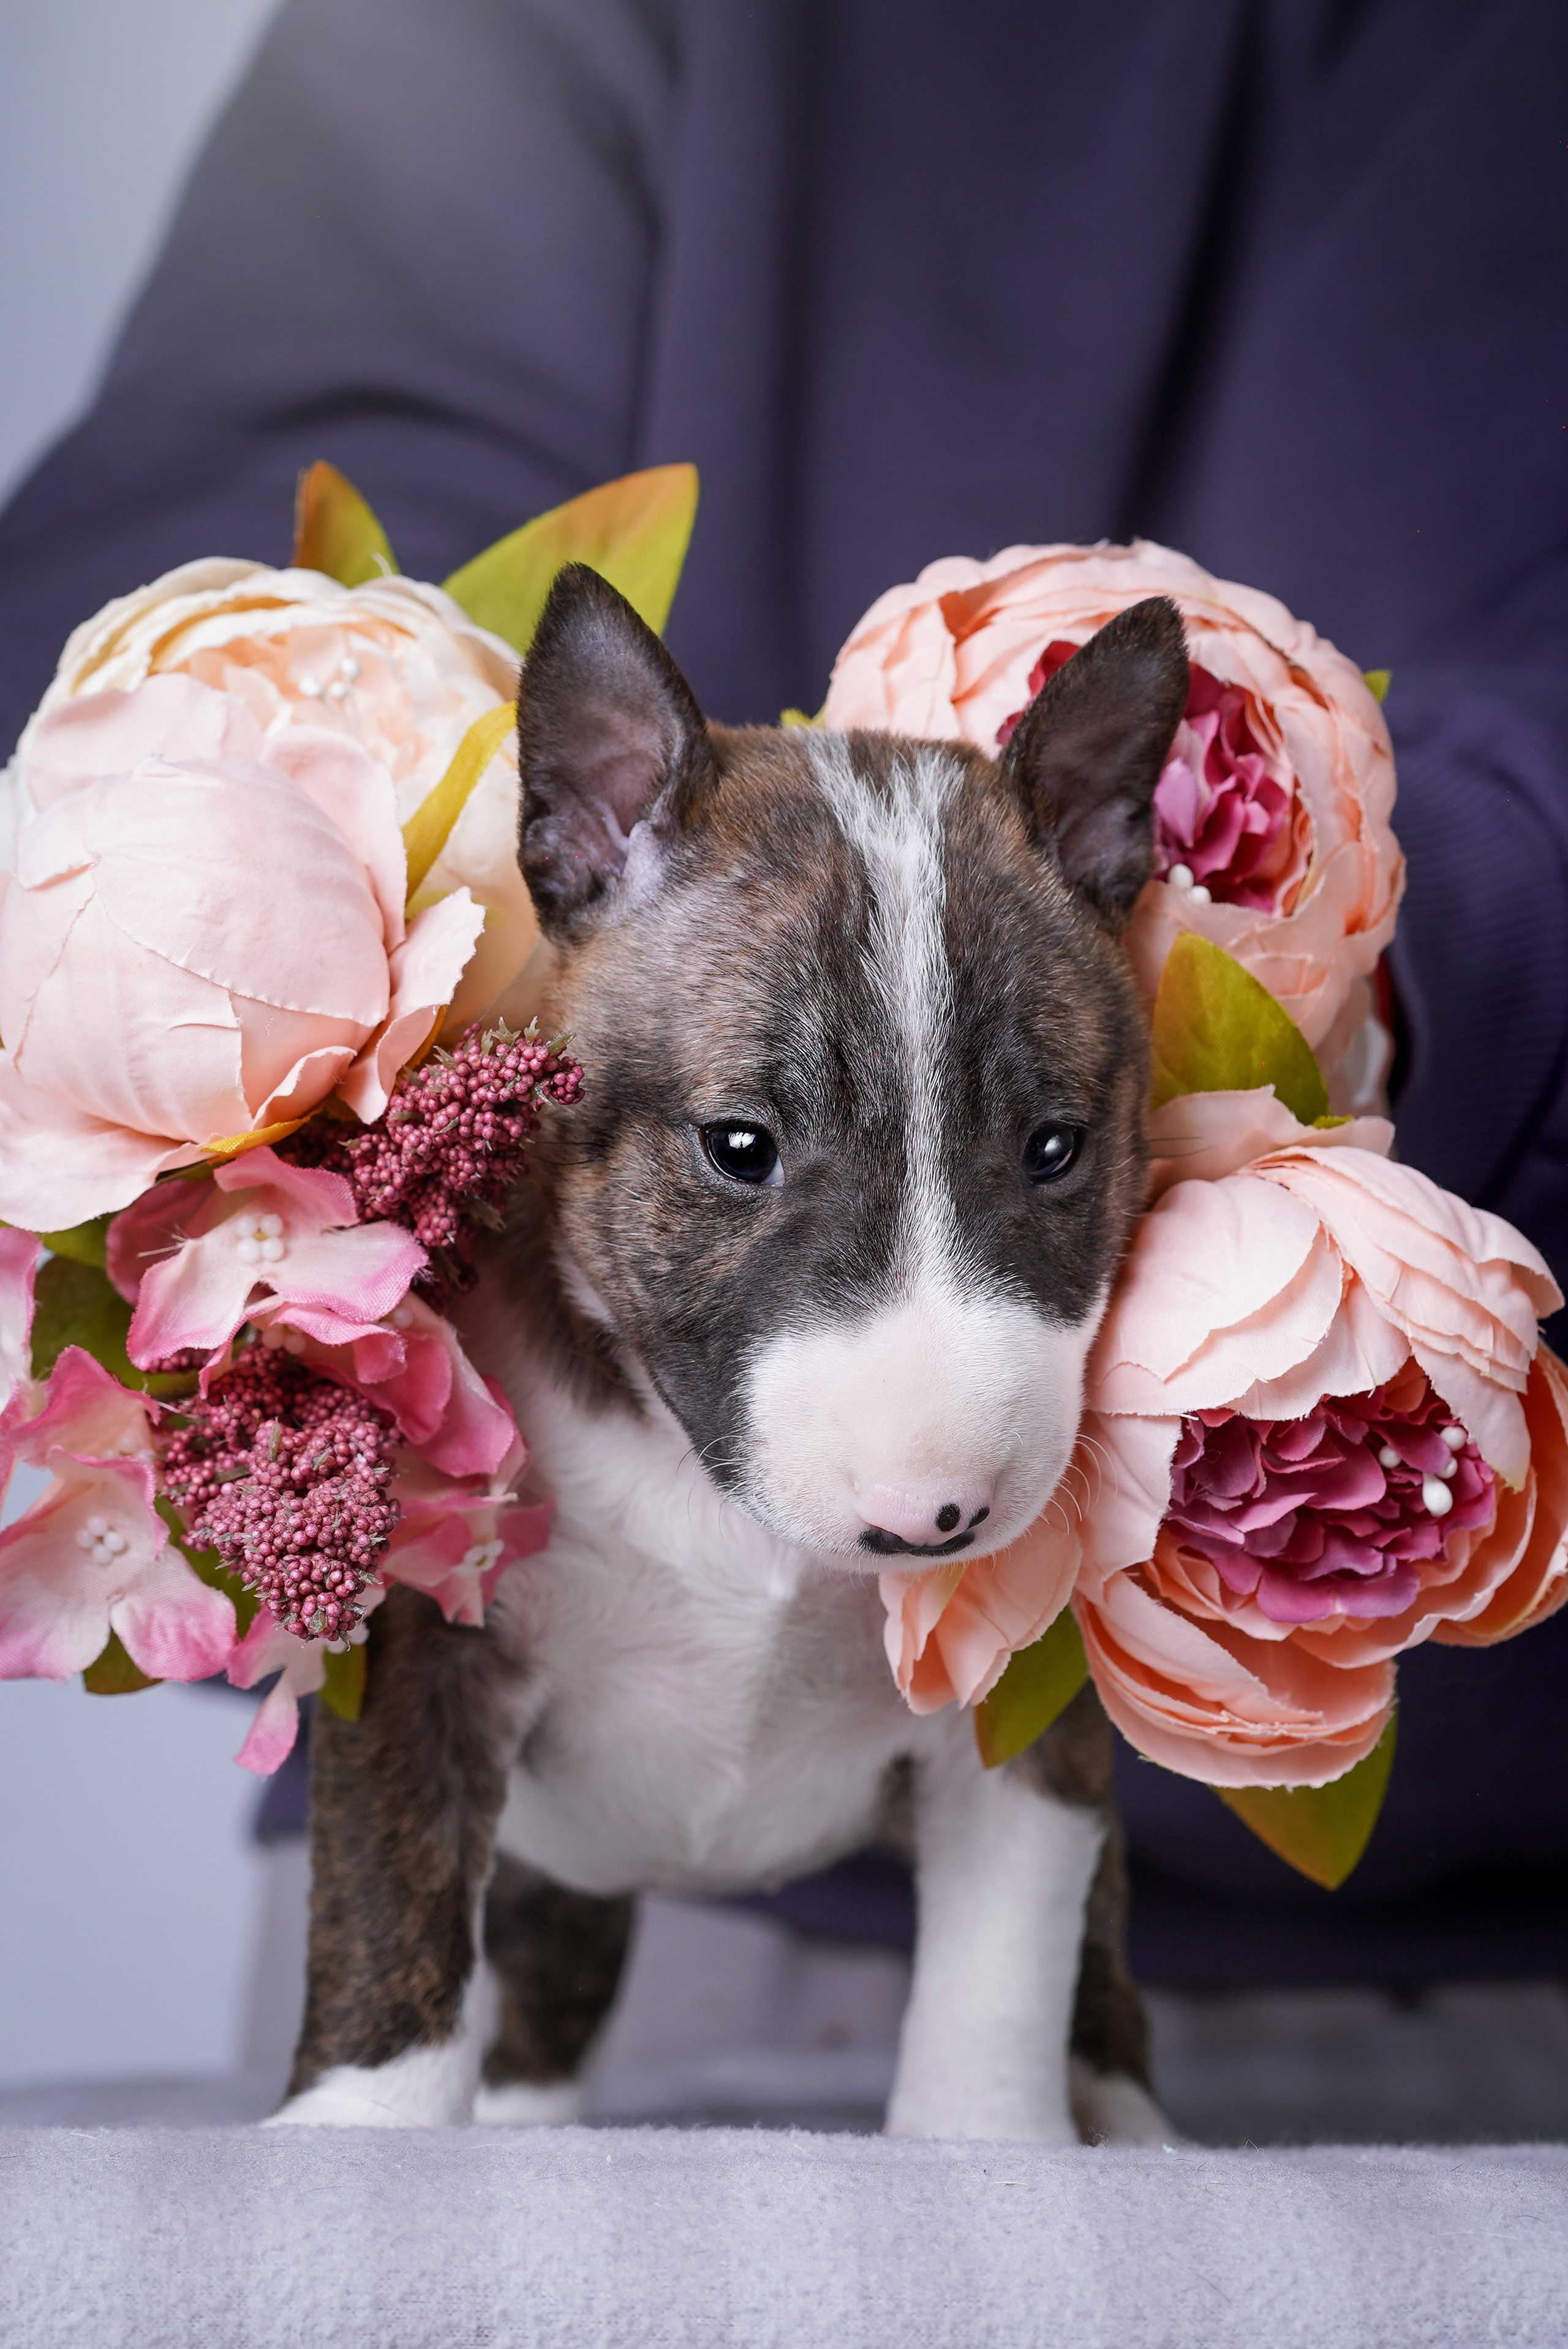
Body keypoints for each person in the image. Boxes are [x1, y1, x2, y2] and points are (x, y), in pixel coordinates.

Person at [4, 0, 1566, 1986]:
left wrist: (1353, 994)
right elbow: (222, 521)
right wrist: (357, 904)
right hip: (537, 1835)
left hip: (1491, 1891)